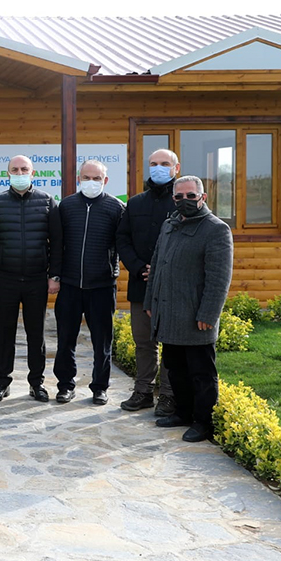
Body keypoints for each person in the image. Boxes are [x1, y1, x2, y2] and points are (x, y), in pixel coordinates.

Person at [143, 175, 233, 443]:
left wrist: (208, 313)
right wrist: (150, 302)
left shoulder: (216, 229)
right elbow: (156, 265)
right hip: (169, 314)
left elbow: (219, 278)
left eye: (191, 196)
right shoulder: (169, 226)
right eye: (179, 197)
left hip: (196, 317)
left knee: (201, 374)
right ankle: (182, 413)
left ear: (203, 197)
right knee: (175, 368)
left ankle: (203, 422)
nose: (185, 201)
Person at [0, 154, 62, 403]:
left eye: (24, 168)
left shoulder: (48, 202)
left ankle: (37, 384)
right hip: (5, 279)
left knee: (36, 335)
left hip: (37, 279)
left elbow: (58, 243)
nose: (19, 172)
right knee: (4, 333)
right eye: (14, 169)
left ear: (33, 173)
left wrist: (54, 276)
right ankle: (2, 382)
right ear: (8, 174)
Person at [52, 160, 125, 405]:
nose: (90, 182)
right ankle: (65, 385)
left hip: (102, 286)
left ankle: (100, 387)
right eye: (86, 177)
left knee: (102, 342)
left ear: (105, 181)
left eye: (96, 178)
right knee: (65, 340)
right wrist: (55, 276)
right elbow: (57, 245)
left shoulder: (117, 208)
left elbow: (122, 244)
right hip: (70, 285)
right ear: (78, 179)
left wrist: (113, 271)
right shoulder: (67, 206)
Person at [116, 148, 180, 416]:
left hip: (173, 286)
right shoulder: (135, 203)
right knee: (144, 341)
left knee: (171, 341)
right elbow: (123, 239)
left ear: (176, 168)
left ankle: (168, 395)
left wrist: (162, 269)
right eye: (153, 163)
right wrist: (140, 267)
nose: (158, 168)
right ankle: (143, 391)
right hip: (141, 283)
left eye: (164, 164)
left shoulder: (183, 202)